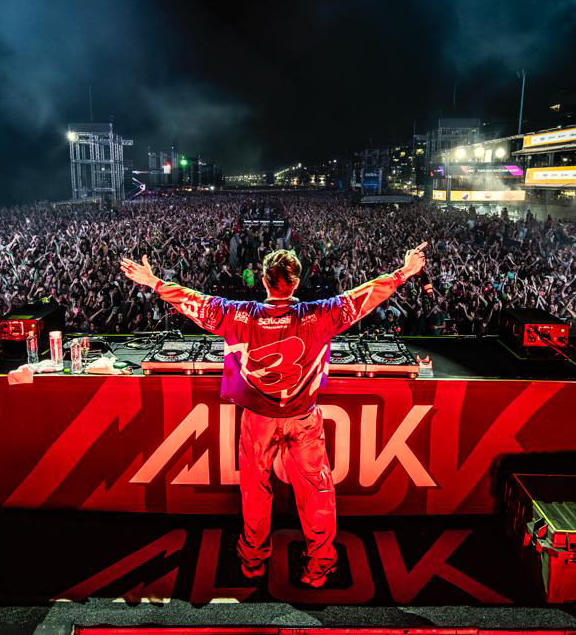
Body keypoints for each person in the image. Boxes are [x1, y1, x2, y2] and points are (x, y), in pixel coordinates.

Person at [120, 241, 428, 588]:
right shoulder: (321, 315)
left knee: (255, 491)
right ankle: (319, 565)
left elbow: (195, 302)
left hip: (258, 418)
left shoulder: (239, 316)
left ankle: (252, 561)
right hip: (303, 417)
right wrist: (404, 272)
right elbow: (365, 295)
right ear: (295, 282)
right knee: (316, 492)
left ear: (264, 281)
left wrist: (154, 282)